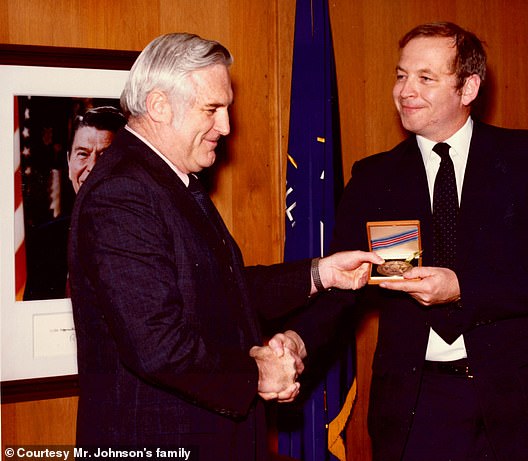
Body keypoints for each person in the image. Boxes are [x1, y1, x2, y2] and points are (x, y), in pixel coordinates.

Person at [67, 33, 382, 460]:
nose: (227, 126)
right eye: (212, 109)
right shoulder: (122, 192)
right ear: (159, 106)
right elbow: (158, 344)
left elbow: (221, 290)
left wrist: (318, 274)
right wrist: (258, 373)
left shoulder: (170, 180)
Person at [292, 22, 528, 460]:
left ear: (468, 87)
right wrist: (297, 343)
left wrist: (462, 286)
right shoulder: (375, 178)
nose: (405, 91)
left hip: (523, 404)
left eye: (425, 78)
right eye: (400, 75)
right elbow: (343, 289)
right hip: (419, 408)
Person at [23, 106, 126, 300]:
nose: (93, 168)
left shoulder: (146, 235)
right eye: (83, 154)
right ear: (69, 162)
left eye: (105, 156)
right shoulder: (42, 242)